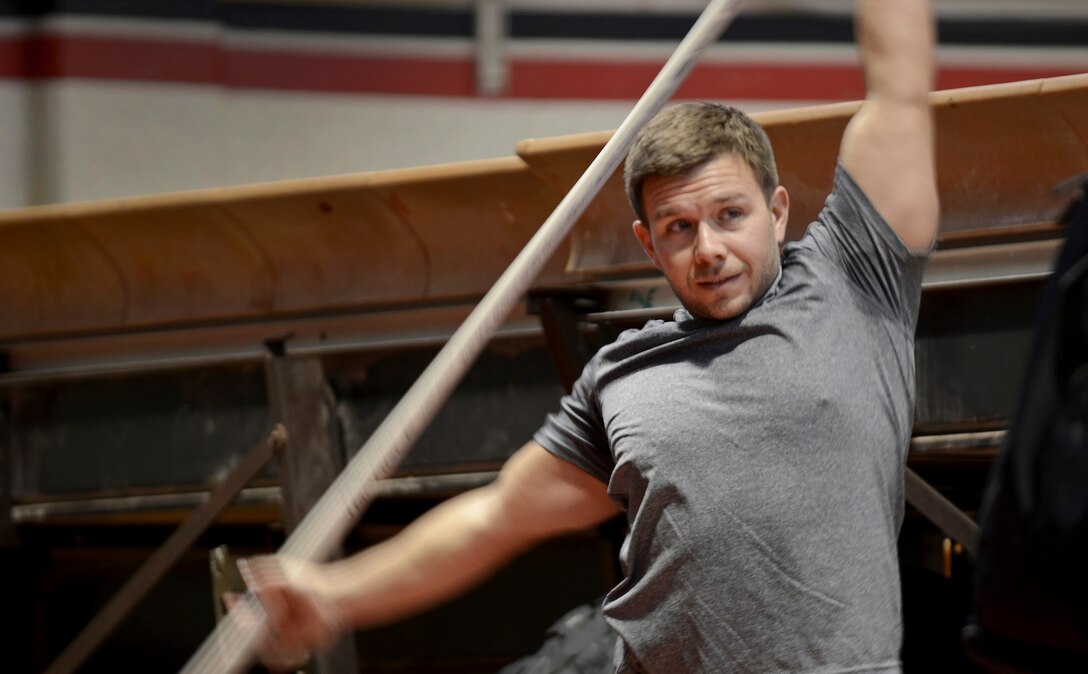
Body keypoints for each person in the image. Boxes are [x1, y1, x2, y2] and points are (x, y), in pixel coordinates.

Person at [234, 0, 939, 671]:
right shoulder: (623, 374)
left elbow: (900, 89)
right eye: (679, 228)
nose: (709, 249)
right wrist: (333, 596)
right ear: (648, 244)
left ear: (777, 211)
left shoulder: (855, 277)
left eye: (731, 215)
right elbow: (495, 519)